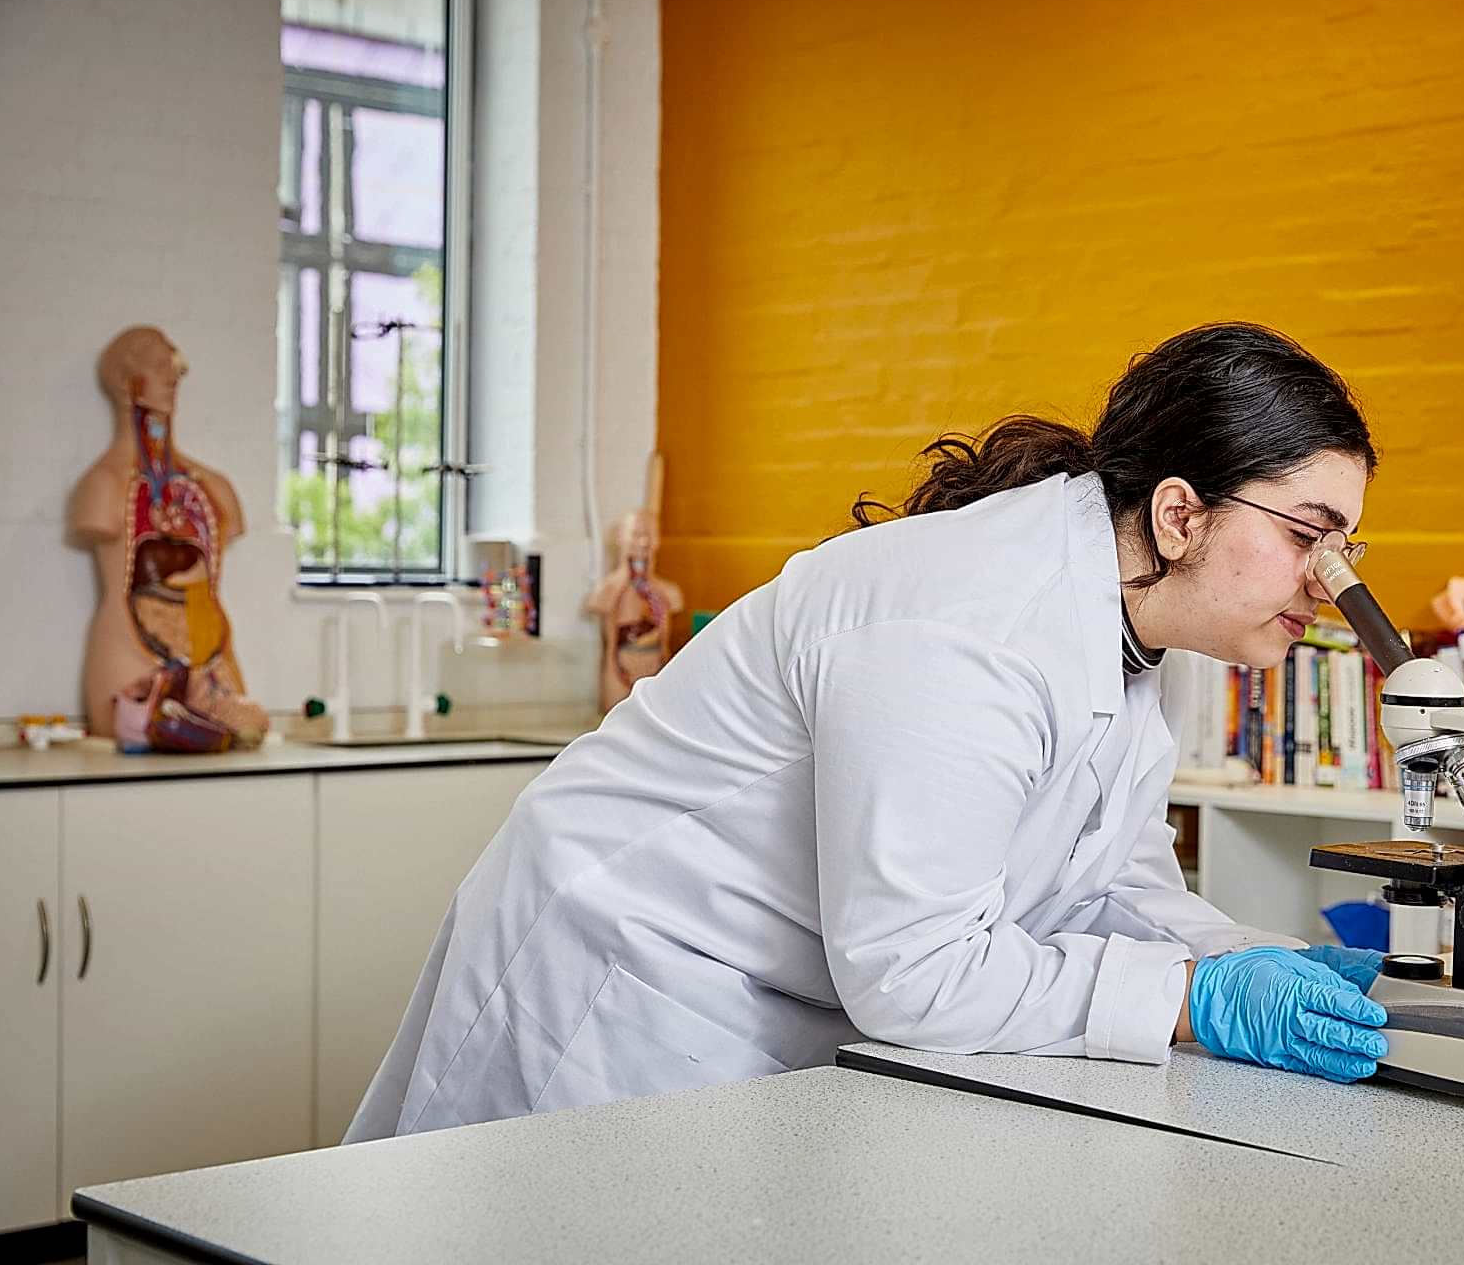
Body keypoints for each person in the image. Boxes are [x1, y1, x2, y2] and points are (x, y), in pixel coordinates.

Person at [346, 321, 1391, 1142]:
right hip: (635, 978)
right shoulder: (969, 619)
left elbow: (1107, 874)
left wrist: (1252, 956)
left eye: (1344, 544)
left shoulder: (1137, 632)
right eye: (1309, 534)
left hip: (781, 992)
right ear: (1178, 515)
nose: (1332, 581)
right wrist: (1195, 1000)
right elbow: (915, 970)